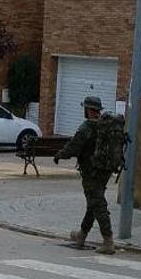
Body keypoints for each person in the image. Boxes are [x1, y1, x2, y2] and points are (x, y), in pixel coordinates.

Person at [53, 96, 116, 255]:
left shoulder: (87, 127)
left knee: (98, 205)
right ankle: (82, 235)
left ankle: (108, 241)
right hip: (105, 171)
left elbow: (74, 148)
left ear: (87, 109)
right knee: (93, 204)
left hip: (91, 173)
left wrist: (59, 155)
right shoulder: (105, 126)